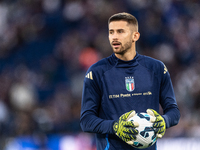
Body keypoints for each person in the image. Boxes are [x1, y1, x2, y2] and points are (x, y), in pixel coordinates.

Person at [80, 12, 180, 150]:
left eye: (120, 32)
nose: (114, 37)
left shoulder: (156, 68)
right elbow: (86, 121)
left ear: (135, 36)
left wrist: (164, 121)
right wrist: (115, 126)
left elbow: (173, 112)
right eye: (111, 32)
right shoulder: (96, 72)